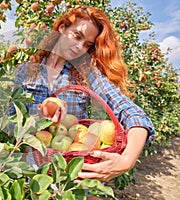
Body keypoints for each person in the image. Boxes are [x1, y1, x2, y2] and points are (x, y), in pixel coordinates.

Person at [9, 5, 155, 184]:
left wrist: (127, 161)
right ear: (62, 28)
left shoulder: (87, 75)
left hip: (70, 177)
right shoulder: (27, 71)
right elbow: (11, 121)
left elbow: (132, 112)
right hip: (28, 173)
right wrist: (36, 122)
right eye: (77, 36)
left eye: (87, 44)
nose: (79, 47)